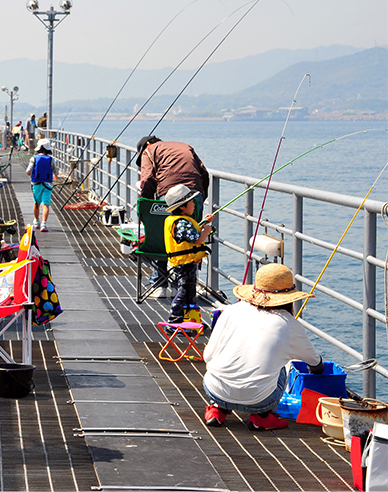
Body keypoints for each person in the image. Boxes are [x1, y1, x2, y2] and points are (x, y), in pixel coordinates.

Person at [203, 263, 324, 431]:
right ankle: (262, 417)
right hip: (259, 400)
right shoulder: (289, 324)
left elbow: (207, 357)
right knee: (282, 366)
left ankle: (217, 409)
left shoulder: (231, 310)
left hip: (215, 389)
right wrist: (319, 370)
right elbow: (314, 362)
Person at [137, 136, 210, 297]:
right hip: (194, 194)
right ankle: (185, 283)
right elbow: (204, 174)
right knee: (191, 239)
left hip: (169, 194)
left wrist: (146, 204)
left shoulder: (149, 150)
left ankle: (159, 284)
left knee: (164, 236)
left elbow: (147, 178)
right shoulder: (186, 146)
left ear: (147, 144)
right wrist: (200, 198)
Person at [161, 185, 213, 324]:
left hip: (185, 263)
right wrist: (207, 231)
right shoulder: (182, 223)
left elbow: (190, 234)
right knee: (184, 292)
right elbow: (197, 240)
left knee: (190, 291)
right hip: (185, 264)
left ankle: (190, 320)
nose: (194, 205)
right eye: (191, 202)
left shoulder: (180, 221)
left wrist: (203, 224)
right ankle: (174, 320)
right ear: (182, 206)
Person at [26, 138, 59, 232]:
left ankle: (36, 221)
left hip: (36, 183)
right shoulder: (51, 159)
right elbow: (55, 170)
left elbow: (28, 171)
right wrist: (55, 176)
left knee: (36, 203)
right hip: (48, 184)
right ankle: (44, 224)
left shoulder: (34, 158)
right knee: (46, 204)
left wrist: (30, 173)